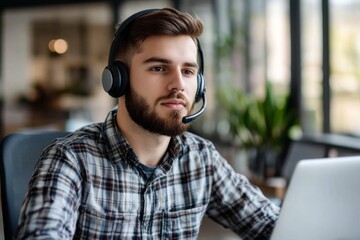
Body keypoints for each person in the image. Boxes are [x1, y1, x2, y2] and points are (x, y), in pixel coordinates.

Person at [16, 7, 280, 239]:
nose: (178, 84)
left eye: (188, 71)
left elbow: (273, 226)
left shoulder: (202, 159)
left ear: (199, 85)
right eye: (158, 68)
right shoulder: (71, 158)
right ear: (118, 79)